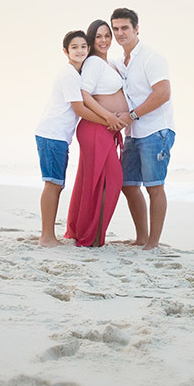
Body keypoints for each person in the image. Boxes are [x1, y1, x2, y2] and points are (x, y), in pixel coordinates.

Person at [34, 30, 107, 247]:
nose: (80, 50)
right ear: (66, 51)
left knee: (55, 184)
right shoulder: (69, 74)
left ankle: (47, 234)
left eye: (83, 46)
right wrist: (108, 121)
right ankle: (46, 236)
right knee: (53, 184)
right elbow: (80, 108)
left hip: (57, 137)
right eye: (74, 47)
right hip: (52, 135)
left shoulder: (75, 74)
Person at [110, 8, 174, 250]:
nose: (119, 33)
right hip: (133, 134)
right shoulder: (120, 63)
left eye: (124, 28)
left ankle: (153, 243)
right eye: (115, 29)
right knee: (127, 183)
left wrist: (132, 115)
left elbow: (163, 94)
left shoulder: (151, 58)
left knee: (154, 186)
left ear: (136, 29)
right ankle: (141, 238)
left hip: (156, 131)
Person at [64, 19, 129, 247]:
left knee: (95, 181)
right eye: (98, 36)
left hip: (104, 130)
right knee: (110, 180)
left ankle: (88, 234)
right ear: (92, 40)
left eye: (107, 35)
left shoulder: (110, 63)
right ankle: (90, 236)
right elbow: (85, 94)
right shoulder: (92, 62)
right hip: (95, 128)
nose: (104, 40)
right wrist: (108, 117)